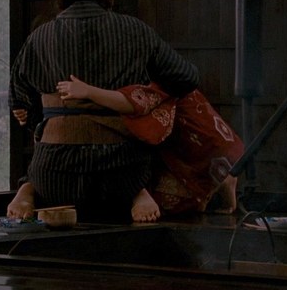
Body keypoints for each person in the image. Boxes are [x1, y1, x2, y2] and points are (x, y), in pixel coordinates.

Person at [7, 0, 199, 223]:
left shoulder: (40, 37)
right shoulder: (136, 31)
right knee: (159, 145)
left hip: (54, 177)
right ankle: (139, 192)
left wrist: (48, 120)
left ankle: (29, 187)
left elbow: (19, 101)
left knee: (40, 165)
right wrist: (140, 98)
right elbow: (186, 78)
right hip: (122, 175)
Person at [54, 75, 243, 215]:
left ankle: (218, 179)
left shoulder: (157, 76)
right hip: (210, 146)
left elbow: (134, 103)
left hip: (201, 145)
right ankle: (220, 177)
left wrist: (88, 91)